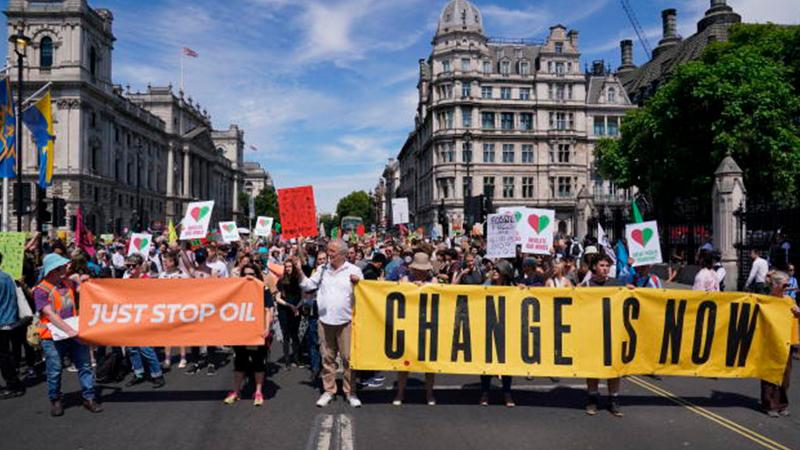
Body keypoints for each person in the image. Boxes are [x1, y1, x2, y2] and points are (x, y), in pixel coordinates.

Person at [297, 239, 363, 408]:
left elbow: (364, 293)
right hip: (325, 321)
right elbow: (307, 285)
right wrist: (298, 270)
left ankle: (350, 392)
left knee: (348, 359)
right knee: (327, 358)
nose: (328, 255)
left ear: (342, 254)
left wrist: (358, 283)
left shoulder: (354, 270)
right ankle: (329, 390)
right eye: (328, 251)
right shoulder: (322, 269)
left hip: (346, 322)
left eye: (332, 252)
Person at [34, 253, 102, 416]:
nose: (67, 267)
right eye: (63, 266)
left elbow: (83, 291)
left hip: (73, 332)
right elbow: (50, 314)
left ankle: (89, 397)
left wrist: (83, 281)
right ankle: (56, 399)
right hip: (52, 336)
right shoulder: (40, 290)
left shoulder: (68, 282)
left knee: (84, 365)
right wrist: (70, 331)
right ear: (54, 270)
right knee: (55, 370)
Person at [224, 264, 275, 407]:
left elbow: (268, 310)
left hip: (257, 333)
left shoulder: (263, 289)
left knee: (258, 362)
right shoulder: (236, 290)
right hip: (240, 333)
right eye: (245, 273)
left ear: (256, 275)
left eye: (252, 273)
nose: (248, 276)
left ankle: (258, 392)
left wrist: (266, 328)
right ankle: (236, 391)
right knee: (239, 362)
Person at [580, 254, 623, 417]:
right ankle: (592, 398)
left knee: (613, 368)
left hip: (612, 332)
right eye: (602, 265)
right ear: (594, 267)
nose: (605, 269)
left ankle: (613, 400)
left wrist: (632, 291)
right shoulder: (586, 286)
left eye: (607, 266)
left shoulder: (617, 285)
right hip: (592, 332)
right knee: (593, 367)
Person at [393, 252, 437, 406]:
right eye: (417, 269)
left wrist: (427, 287)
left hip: (428, 325)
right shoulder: (405, 279)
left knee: (429, 363)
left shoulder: (434, 280)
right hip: (409, 325)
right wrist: (412, 287)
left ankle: (430, 394)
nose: (419, 272)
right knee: (404, 362)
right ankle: (400, 393)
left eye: (422, 270)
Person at [760, 271, 800, 417]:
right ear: (775, 285)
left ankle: (782, 404)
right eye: (785, 284)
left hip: (787, 342)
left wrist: (798, 312)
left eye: (789, 284)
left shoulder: (789, 300)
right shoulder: (767, 300)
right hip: (771, 343)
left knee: (785, 374)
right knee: (770, 373)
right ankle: (769, 404)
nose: (787, 287)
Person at [123, 254, 166, 388]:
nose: (130, 268)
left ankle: (157, 374)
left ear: (140, 266)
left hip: (144, 319)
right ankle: (139, 373)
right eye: (127, 265)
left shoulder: (147, 280)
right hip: (130, 318)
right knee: (132, 348)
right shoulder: (126, 280)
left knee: (146, 348)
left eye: (133, 266)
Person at [480, 259, 515, 407]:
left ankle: (507, 393)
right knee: (486, 360)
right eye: (493, 269)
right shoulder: (486, 286)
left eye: (498, 270)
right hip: (488, 326)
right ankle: (485, 392)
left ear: (505, 273)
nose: (494, 271)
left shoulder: (512, 288)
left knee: (506, 362)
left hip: (506, 328)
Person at [0, 253, 25, 399]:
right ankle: (14, 382)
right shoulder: (7, 276)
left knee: (4, 356)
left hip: (2, 322)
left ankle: (13, 385)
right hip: (11, 319)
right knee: (7, 354)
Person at [159, 252, 188, 369]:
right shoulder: (162, 275)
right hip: (166, 307)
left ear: (174, 262)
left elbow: (191, 289)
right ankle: (167, 358)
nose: (165, 263)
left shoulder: (182, 274)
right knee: (167, 334)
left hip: (180, 307)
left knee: (180, 333)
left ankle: (183, 357)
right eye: (164, 261)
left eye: (167, 260)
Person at [276, 258, 303, 368]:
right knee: (286, 335)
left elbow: (303, 296)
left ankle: (296, 359)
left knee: (295, 335)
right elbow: (278, 298)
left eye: (290, 266)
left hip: (296, 309)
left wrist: (297, 307)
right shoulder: (281, 280)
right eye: (286, 267)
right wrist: (289, 305)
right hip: (284, 310)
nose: (288, 269)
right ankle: (287, 361)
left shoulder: (299, 280)